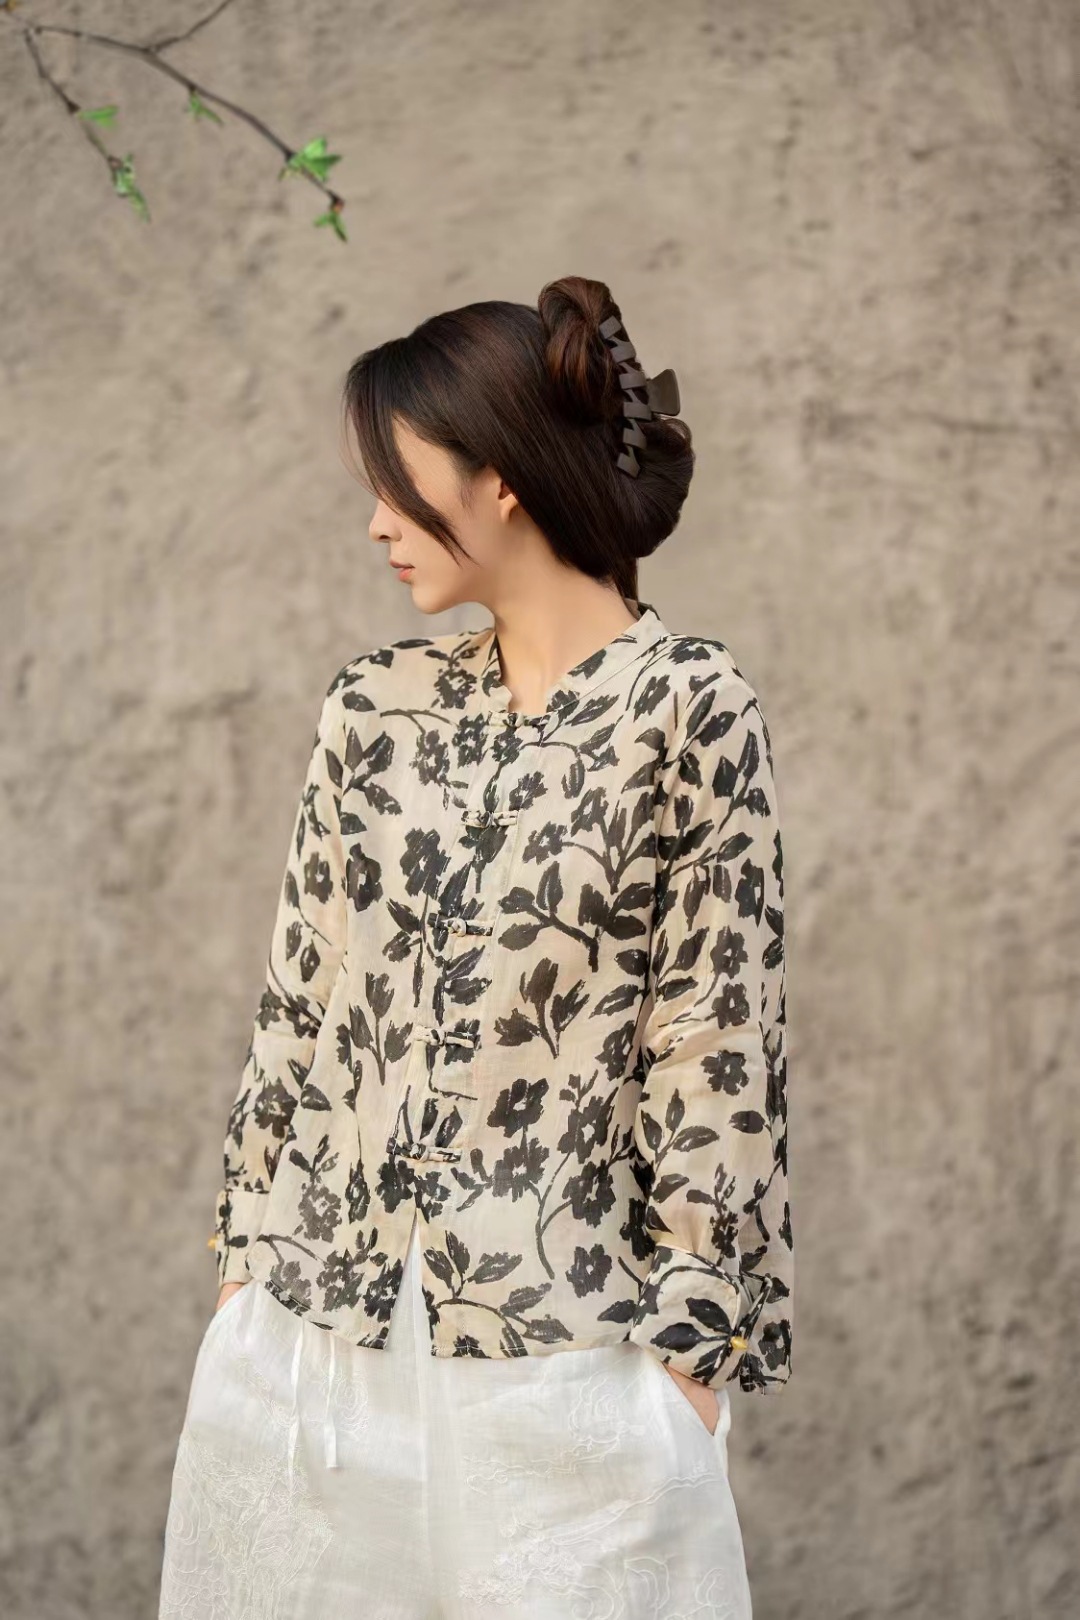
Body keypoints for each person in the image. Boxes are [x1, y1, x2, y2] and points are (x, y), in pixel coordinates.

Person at [158, 274, 792, 1619]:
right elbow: (300, 1000)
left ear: (500, 481)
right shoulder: (371, 709)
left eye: (400, 483)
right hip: (313, 1334)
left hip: (566, 1343)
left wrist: (691, 1362)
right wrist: (242, 1263)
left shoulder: (688, 707)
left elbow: (716, 1042)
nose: (377, 523)